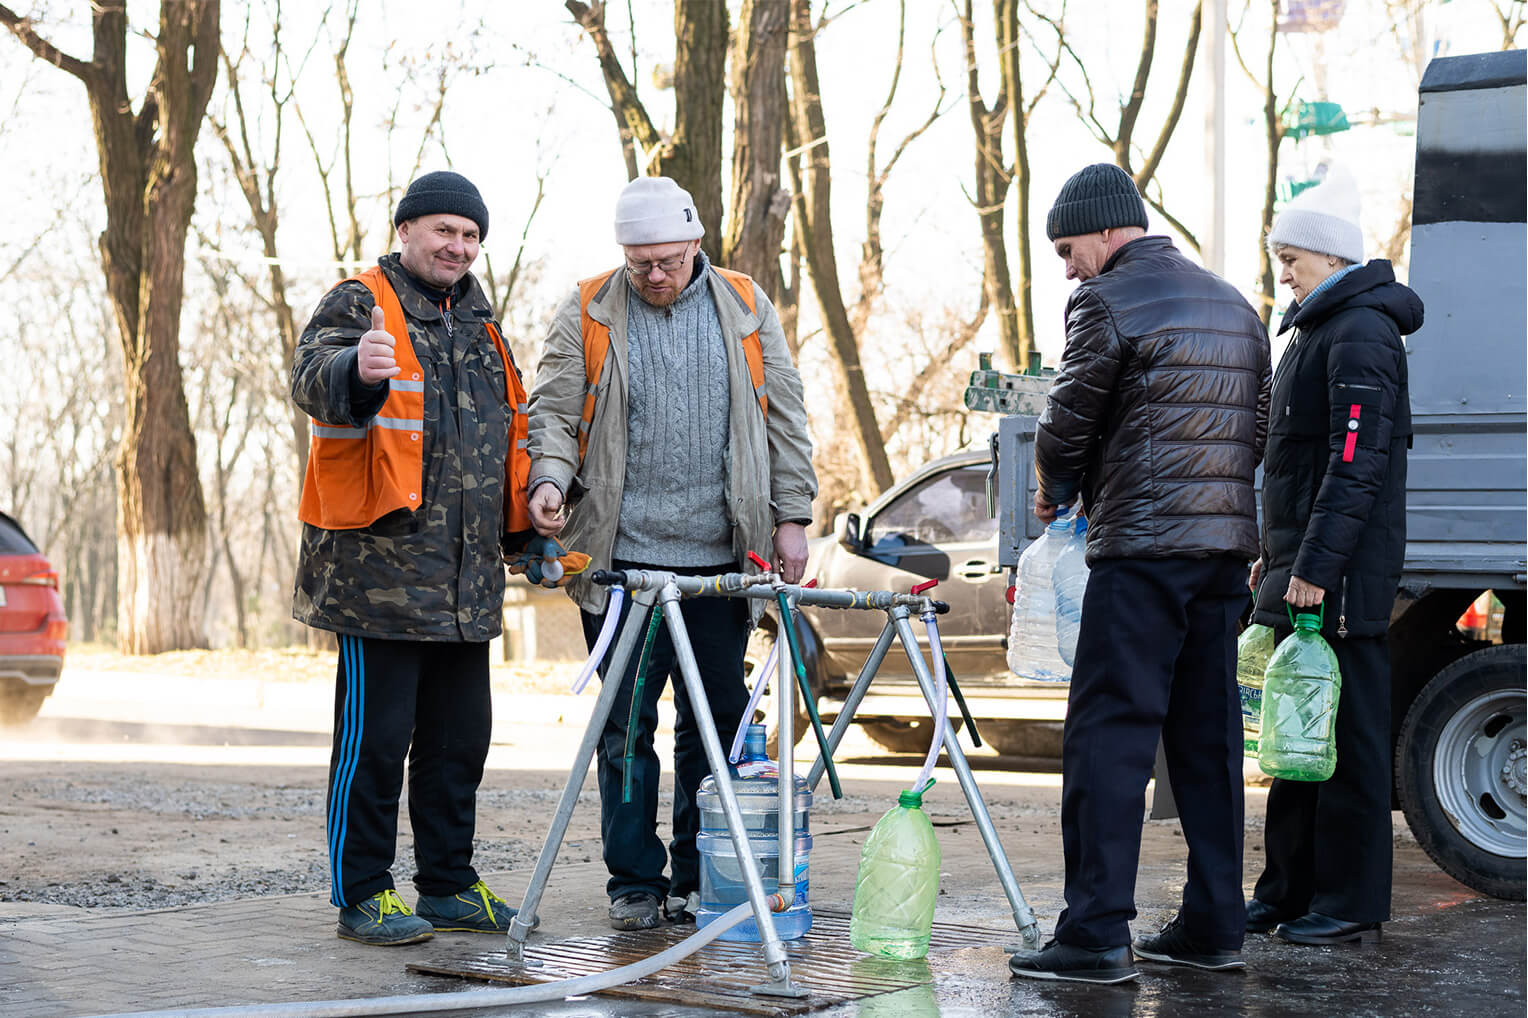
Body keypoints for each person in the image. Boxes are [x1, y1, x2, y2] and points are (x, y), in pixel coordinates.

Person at [526, 176, 817, 931]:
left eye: (667, 261)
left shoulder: (746, 306)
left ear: (695, 244)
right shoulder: (590, 307)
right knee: (624, 727)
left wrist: (793, 518)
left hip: (721, 561)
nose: (653, 276)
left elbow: (785, 416)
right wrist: (549, 481)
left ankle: (696, 873)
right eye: (639, 263)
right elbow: (553, 411)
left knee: (714, 724)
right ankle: (633, 881)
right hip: (621, 565)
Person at [1008, 163, 1272, 984]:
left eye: (1067, 247)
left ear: (1105, 228)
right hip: (1223, 555)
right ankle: (1215, 924)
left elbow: (1066, 422)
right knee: (1209, 741)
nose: (1067, 267)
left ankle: (1093, 933)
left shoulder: (1106, 300)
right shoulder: (1235, 303)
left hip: (1143, 552)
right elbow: (1256, 426)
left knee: (1108, 740)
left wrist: (1054, 488)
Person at [292, 170, 550, 946]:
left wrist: (528, 532)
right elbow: (312, 376)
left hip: (466, 586)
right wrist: (355, 371)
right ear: (406, 231)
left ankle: (447, 886)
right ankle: (364, 891)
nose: (458, 247)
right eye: (445, 231)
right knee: (374, 748)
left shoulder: (483, 326)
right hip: (379, 580)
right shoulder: (360, 301)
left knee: (458, 747)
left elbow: (499, 443)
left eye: (471, 237)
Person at [1247, 166, 1419, 946]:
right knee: (1296, 738)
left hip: (1340, 579)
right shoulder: (1318, 328)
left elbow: (1357, 464)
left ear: (1333, 256)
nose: (1283, 268)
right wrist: (1275, 560)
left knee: (1346, 747)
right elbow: (1297, 467)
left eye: (1294, 255)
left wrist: (1315, 568)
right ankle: (1287, 890)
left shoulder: (1360, 332)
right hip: (1305, 569)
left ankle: (1349, 902)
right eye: (1280, 255)